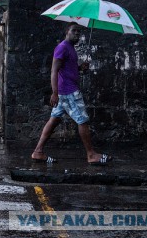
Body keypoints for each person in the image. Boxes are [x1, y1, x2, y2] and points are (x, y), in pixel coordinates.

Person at [31, 23, 112, 165]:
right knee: (83, 121)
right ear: (66, 32)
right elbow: (54, 71)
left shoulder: (70, 48)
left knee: (54, 119)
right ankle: (91, 155)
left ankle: (38, 151)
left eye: (79, 32)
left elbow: (67, 68)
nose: (77, 34)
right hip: (68, 92)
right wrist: (54, 93)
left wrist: (80, 68)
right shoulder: (62, 47)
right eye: (74, 31)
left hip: (65, 92)